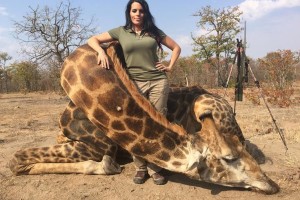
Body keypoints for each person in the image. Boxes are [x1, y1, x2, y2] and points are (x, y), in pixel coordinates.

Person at [87, 0, 181, 185]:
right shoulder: (121, 31)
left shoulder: (154, 32)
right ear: (129, 13)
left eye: (141, 11)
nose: (138, 14)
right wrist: (101, 52)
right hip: (134, 83)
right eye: (134, 10)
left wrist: (169, 65)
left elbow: (176, 47)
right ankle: (140, 167)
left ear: (146, 13)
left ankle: (156, 167)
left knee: (157, 122)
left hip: (157, 82)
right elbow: (93, 39)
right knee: (136, 123)